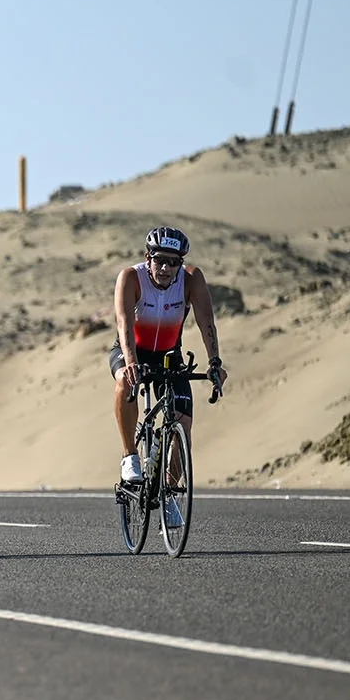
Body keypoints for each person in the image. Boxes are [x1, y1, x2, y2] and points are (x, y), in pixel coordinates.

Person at [111, 226, 227, 528]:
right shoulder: (131, 278)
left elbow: (206, 323)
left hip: (167, 355)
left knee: (182, 424)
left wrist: (215, 363)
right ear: (148, 258)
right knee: (125, 380)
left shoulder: (191, 280)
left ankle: (170, 494)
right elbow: (124, 324)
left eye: (173, 262)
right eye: (160, 260)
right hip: (130, 349)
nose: (165, 268)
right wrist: (132, 362)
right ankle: (130, 457)